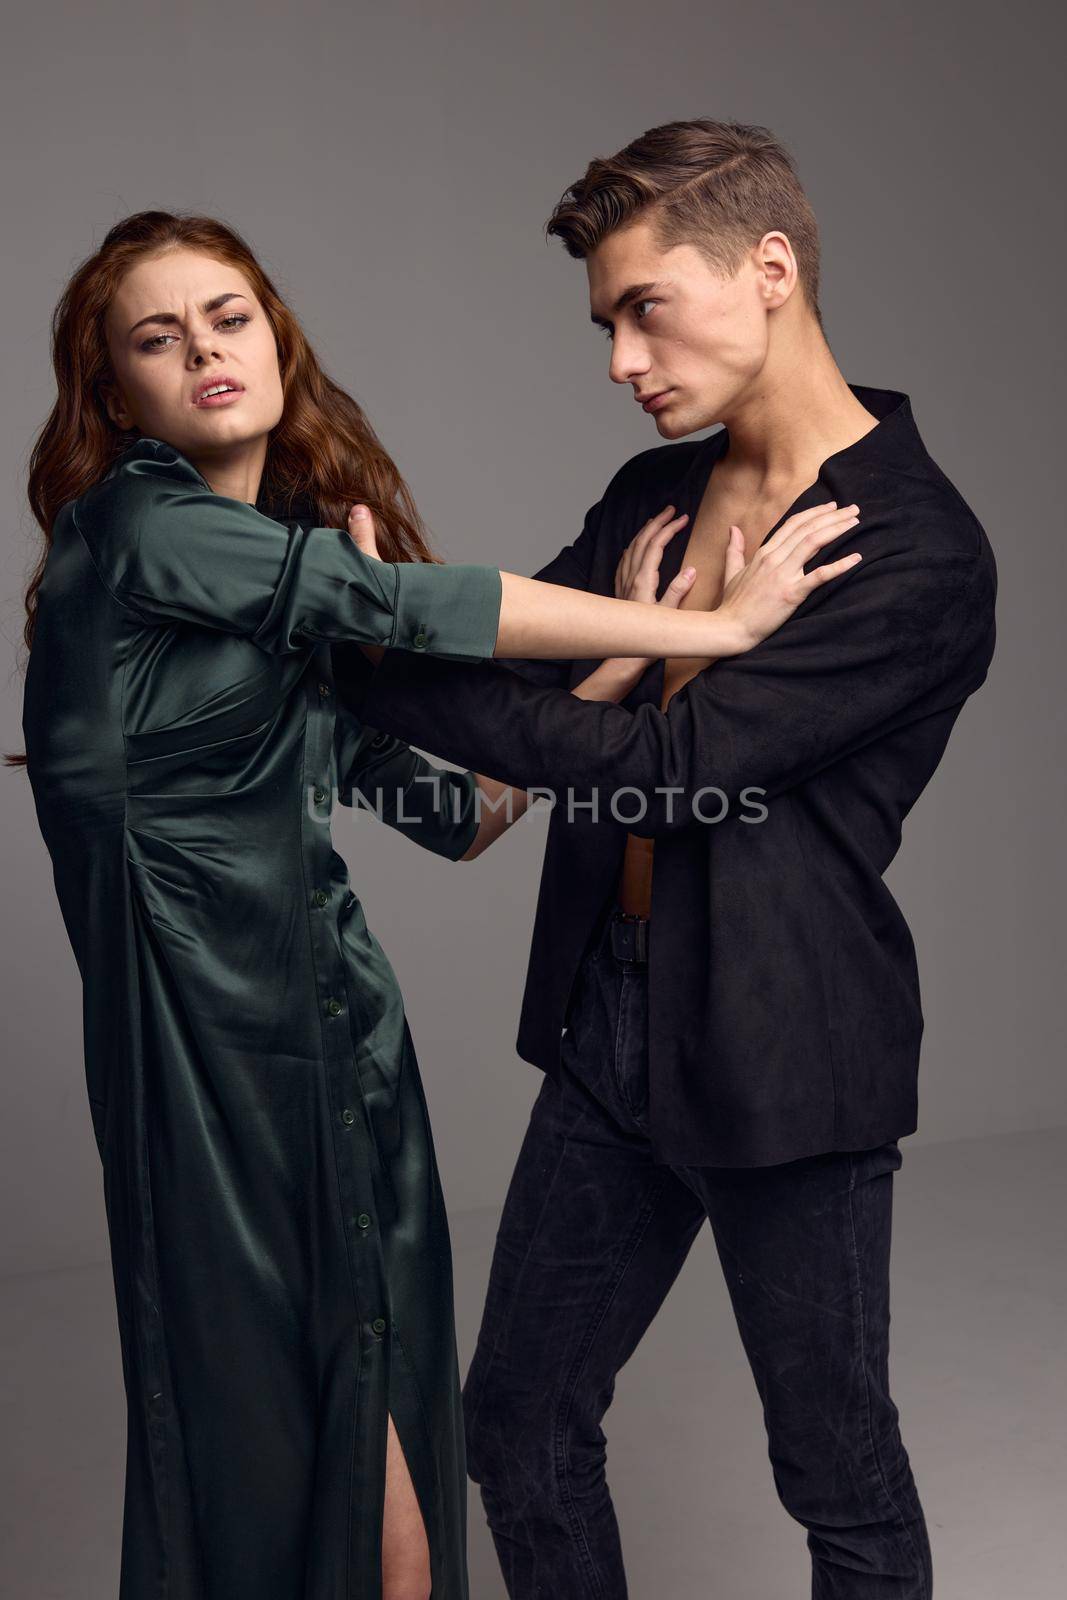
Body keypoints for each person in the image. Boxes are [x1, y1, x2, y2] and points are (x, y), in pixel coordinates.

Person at [5, 210, 857, 1600]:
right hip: (206, 1071)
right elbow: (413, 605)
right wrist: (714, 628)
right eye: (158, 338)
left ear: (273, 339)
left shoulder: (278, 578)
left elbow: (457, 817)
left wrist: (598, 685)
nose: (206, 352)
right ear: (116, 393)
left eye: (228, 317)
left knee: (396, 1478)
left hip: (343, 1050)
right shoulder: (135, 529)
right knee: (294, 1477)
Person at [344, 120, 999, 1598]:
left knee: (838, 1474)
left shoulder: (913, 549)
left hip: (786, 1043)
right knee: (514, 1422)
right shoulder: (653, 498)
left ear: (770, 270)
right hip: (607, 1022)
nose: (623, 359)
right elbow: (516, 696)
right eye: (605, 322)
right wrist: (373, 613)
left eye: (648, 307)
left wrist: (377, 648)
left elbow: (673, 768)